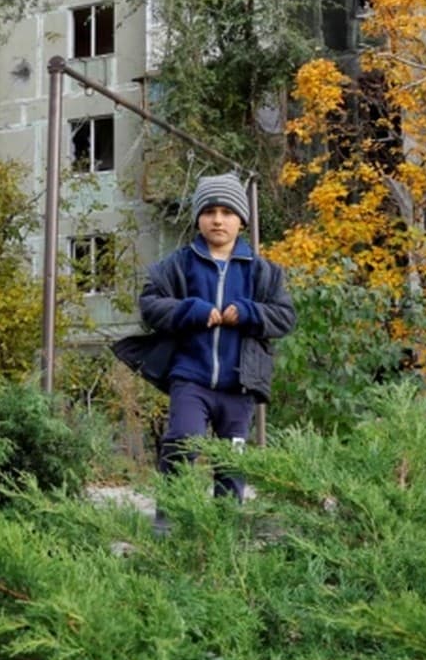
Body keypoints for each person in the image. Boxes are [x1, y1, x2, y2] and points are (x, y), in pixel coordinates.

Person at [114, 173, 294, 508]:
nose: (218, 220)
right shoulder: (177, 266)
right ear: (198, 217)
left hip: (238, 385)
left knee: (232, 462)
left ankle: (224, 530)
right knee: (182, 442)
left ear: (241, 219)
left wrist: (247, 312)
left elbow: (284, 317)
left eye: (227, 212)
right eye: (210, 211)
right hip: (190, 379)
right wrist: (191, 310)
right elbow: (150, 307)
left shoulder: (263, 272)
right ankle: (170, 517)